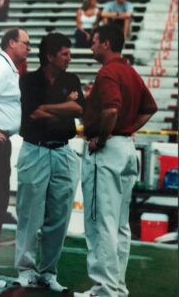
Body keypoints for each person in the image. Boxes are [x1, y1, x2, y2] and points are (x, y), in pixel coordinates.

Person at [74, 25, 158, 297]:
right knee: (119, 225)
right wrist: (128, 129)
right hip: (125, 148)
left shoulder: (108, 72)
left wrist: (102, 137)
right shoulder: (130, 71)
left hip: (107, 151)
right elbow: (150, 108)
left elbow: (111, 108)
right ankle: (116, 287)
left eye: (95, 42)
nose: (92, 47)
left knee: (101, 222)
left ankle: (105, 290)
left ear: (107, 44)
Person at [14, 32, 85, 292]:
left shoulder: (72, 78)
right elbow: (33, 113)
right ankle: (25, 269)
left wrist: (50, 108)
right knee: (29, 212)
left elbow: (80, 110)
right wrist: (65, 104)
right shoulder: (29, 81)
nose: (69, 58)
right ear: (50, 56)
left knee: (60, 215)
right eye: (64, 54)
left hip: (63, 151)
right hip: (35, 150)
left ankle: (48, 272)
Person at [0, 28, 30, 287]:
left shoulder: (6, 66)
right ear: (11, 43)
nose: (29, 48)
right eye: (25, 43)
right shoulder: (1, 66)